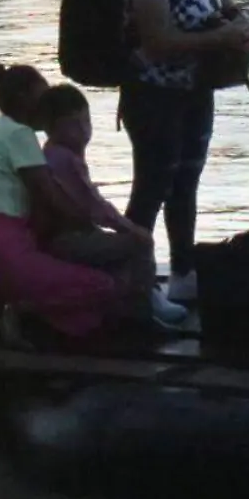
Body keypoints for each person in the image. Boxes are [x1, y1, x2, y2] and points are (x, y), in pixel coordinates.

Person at [122, 0, 249, 303]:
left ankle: (183, 272)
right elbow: (158, 41)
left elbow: (226, 5)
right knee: (153, 184)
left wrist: (244, 24)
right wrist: (220, 39)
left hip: (196, 89)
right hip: (153, 95)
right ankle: (133, 280)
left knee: (187, 182)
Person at [0, 64, 123, 342]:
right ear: (24, 99)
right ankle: (21, 311)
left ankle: (0, 308)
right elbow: (50, 196)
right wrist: (92, 224)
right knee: (103, 286)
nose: (51, 107)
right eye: (43, 97)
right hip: (2, 256)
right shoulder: (19, 135)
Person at [35, 84, 189, 327]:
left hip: (63, 236)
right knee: (140, 243)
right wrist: (129, 228)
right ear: (51, 128)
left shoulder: (56, 154)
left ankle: (130, 302)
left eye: (87, 121)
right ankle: (144, 307)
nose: (84, 130)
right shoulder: (63, 159)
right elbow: (95, 206)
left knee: (121, 246)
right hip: (64, 240)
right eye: (74, 124)